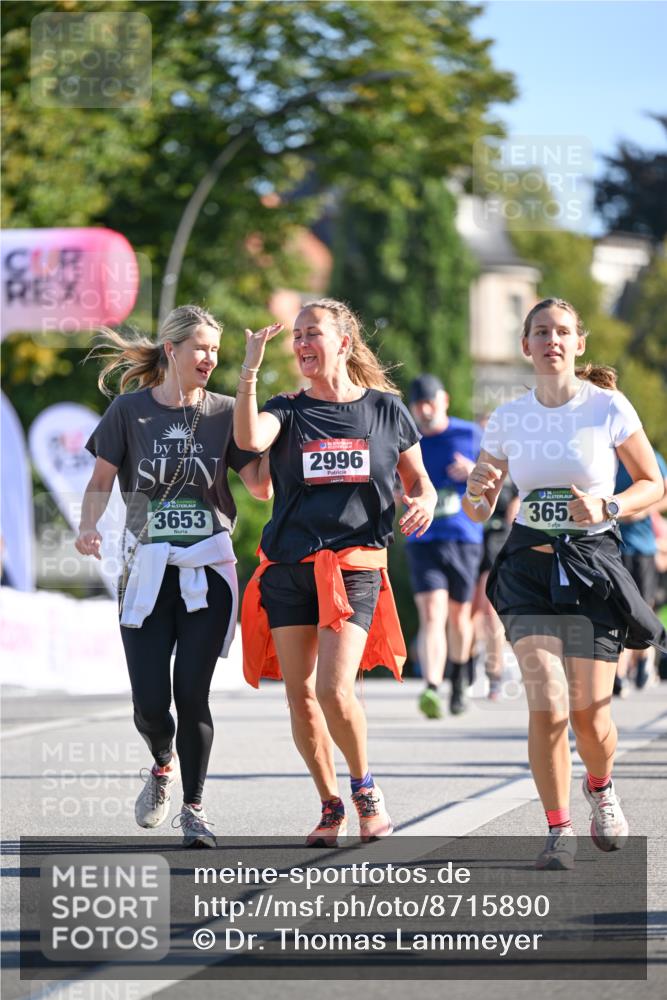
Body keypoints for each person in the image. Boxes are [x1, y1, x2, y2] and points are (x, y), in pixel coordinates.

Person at [463, 297, 665, 871]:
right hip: (528, 568)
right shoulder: (509, 417)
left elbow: (653, 482)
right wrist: (477, 491)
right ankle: (558, 829)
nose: (552, 340)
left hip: (592, 565)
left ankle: (599, 784)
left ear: (579, 344)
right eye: (541, 331)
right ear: (525, 345)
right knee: (548, 704)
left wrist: (608, 504)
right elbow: (479, 509)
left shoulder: (607, 407)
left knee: (590, 716)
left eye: (562, 332)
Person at [234, 298, 436, 846]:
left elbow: (419, 480)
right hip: (289, 566)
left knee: (333, 689)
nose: (302, 343)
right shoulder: (285, 409)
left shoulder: (387, 410)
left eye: (313, 333)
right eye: (297, 334)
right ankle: (329, 805)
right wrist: (249, 371)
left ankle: (365, 789)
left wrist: (426, 500)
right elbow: (250, 442)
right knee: (300, 696)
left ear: (343, 343)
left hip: (354, 566)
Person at [75, 305, 271, 848]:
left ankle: (195, 809)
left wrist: (282, 430)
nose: (210, 358)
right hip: (145, 570)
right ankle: (162, 762)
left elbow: (260, 487)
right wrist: (88, 526)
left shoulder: (226, 412)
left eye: (216, 350)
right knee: (149, 702)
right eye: (201, 347)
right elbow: (100, 480)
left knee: (192, 693)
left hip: (207, 569)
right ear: (172, 350)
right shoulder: (128, 411)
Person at [406, 375, 483, 718]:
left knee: (459, 615)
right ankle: (432, 686)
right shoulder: (409, 440)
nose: (424, 410)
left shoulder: (471, 434)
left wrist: (473, 471)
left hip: (464, 537)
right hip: (422, 536)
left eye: (430, 403)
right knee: (432, 613)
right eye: (418, 404)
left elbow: (500, 478)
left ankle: (459, 680)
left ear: (444, 401)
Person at [613, 449, 667, 692]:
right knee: (618, 609)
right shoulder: (602, 454)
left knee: (643, 607)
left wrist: (645, 509)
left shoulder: (646, 453)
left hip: (642, 547)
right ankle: (619, 674)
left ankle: (644, 656)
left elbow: (663, 490)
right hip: (612, 546)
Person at [471, 468, 520, 700]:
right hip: (470, 542)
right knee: (470, 613)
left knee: (491, 613)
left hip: (499, 543)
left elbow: (516, 513)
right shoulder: (474, 463)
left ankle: (495, 675)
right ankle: (467, 670)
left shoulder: (515, 473)